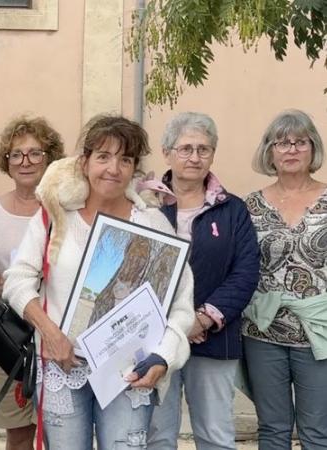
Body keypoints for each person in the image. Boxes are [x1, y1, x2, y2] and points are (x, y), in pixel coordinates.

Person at [2, 115, 195, 450]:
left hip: (127, 371)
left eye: (125, 159)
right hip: (63, 365)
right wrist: (51, 335)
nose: (113, 168)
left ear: (134, 169)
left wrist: (164, 357)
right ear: (84, 162)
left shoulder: (153, 225)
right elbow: (17, 282)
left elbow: (180, 304)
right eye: (103, 156)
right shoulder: (55, 216)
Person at [146, 112, 260, 450]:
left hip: (213, 338)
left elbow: (246, 271)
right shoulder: (144, 205)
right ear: (167, 152)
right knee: (157, 435)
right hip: (155, 336)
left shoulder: (233, 210)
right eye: (185, 149)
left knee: (215, 435)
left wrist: (203, 318)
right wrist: (175, 325)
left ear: (212, 154)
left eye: (203, 149)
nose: (195, 157)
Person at [0, 116, 64, 450]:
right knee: (19, 432)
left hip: (58, 335)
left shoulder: (65, 210)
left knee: (60, 428)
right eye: (16, 154)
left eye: (35, 153)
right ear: (6, 162)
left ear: (50, 159)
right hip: (6, 340)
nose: (25, 161)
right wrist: (7, 285)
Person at [242, 109, 327, 449]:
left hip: (319, 331)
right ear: (270, 152)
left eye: (300, 142)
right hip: (263, 331)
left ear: (313, 149)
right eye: (282, 142)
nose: (291, 149)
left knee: (318, 433)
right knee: (273, 430)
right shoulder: (250, 206)